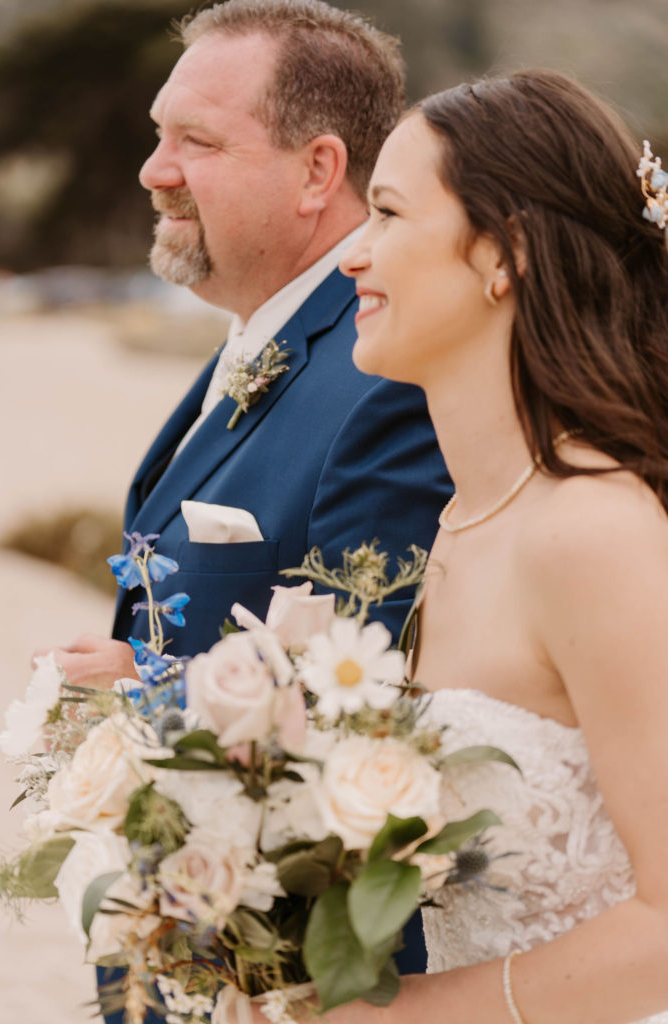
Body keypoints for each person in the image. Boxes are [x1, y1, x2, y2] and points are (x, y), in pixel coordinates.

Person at [38, 2, 451, 1018]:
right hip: (188, 945)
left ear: (318, 171)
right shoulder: (258, 334)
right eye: (156, 133)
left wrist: (148, 692)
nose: (153, 168)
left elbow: (374, 684)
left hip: (291, 970)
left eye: (197, 142)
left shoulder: (385, 374)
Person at [323, 69, 668, 1023]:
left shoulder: (592, 534)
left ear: (503, 250)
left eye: (388, 213)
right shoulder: (462, 520)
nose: (353, 254)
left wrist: (401, 1015)